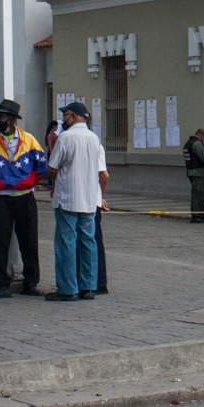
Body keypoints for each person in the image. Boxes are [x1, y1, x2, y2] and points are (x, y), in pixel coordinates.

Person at [0, 99, 48, 298]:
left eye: (1, 117)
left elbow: (41, 165)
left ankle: (30, 283)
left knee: (29, 240)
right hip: (0, 198)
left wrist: (28, 181)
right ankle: (1, 284)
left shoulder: (29, 140)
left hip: (24, 196)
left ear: (12, 120)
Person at [47, 101, 107, 301]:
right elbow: (102, 172)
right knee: (88, 243)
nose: (63, 120)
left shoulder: (66, 137)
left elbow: (53, 167)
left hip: (67, 198)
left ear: (74, 116)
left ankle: (67, 288)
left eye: (66, 116)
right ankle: (88, 287)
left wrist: (52, 181)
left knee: (66, 243)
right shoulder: (94, 139)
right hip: (89, 199)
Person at [80, 113, 110, 294]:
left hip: (89, 201)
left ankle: (96, 281)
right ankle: (96, 281)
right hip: (92, 198)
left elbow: (104, 175)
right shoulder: (94, 142)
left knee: (90, 241)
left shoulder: (92, 143)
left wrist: (99, 195)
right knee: (93, 240)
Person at [182, 127, 204, 223]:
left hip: (191, 171)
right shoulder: (197, 144)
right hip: (197, 171)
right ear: (201, 136)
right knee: (197, 193)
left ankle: (201, 212)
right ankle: (196, 215)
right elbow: (203, 157)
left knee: (200, 192)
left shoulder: (188, 143)